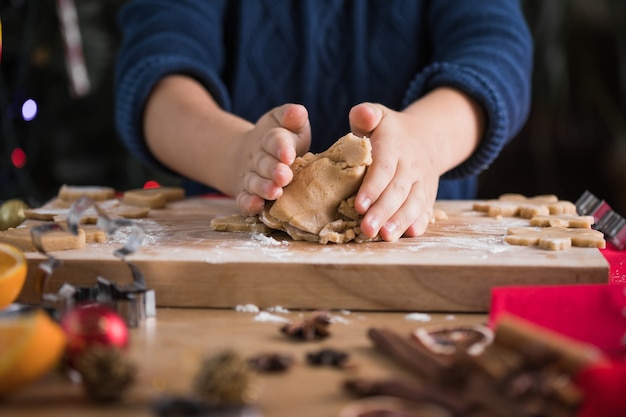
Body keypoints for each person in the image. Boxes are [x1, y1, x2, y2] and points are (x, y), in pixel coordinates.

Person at [114, 1, 533, 242]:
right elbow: (156, 71)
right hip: (229, 247)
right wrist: (234, 153)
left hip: (413, 243)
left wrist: (428, 141)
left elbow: (498, 53)